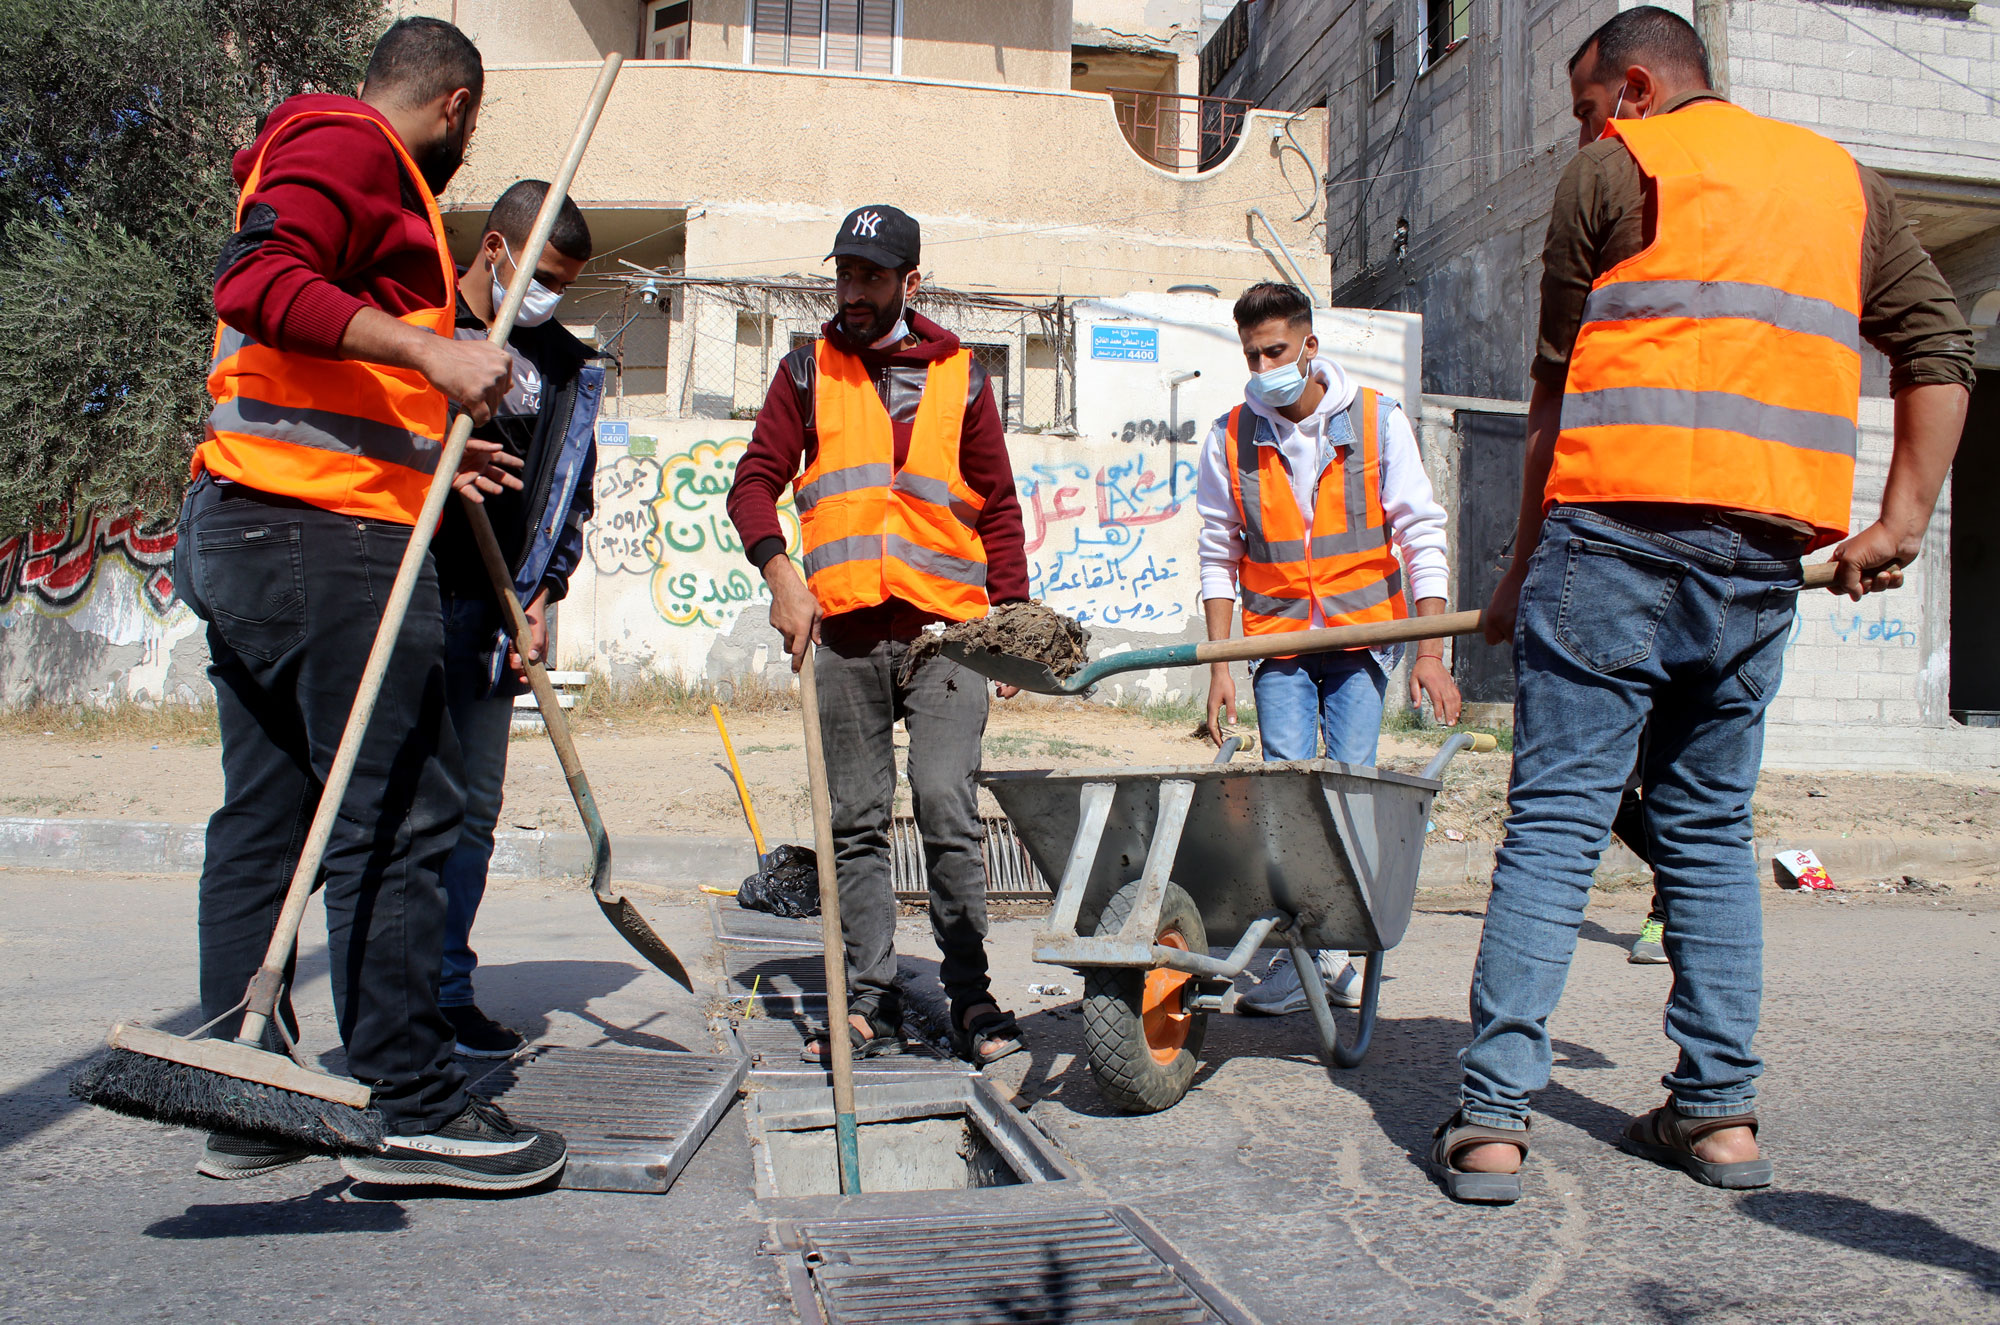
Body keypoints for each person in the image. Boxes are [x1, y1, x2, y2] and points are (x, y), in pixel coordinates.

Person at [1431, 7, 1973, 1204]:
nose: (1580, 130)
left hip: (1609, 540)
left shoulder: (1614, 169)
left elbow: (1551, 396)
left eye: (1583, 106)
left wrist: (1518, 570)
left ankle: (1490, 1122)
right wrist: (1897, 523)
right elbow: (1937, 353)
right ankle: (1717, 1112)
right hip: (1757, 561)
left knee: (1557, 822)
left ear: (1631, 87)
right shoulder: (1844, 187)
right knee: (1709, 829)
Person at [178, 17, 567, 1191]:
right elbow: (255, 283)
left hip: (259, 522)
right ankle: (411, 1100)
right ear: (457, 109)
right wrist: (433, 352)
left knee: (270, 812)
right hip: (318, 537)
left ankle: (240, 1088)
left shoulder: (322, 148)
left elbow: (322, 373)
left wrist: (433, 448)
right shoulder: (346, 143)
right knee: (400, 807)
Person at [727, 205, 1031, 1066]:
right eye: (844, 274)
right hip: (846, 635)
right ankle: (867, 997)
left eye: (870, 277)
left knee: (945, 806)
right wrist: (780, 575)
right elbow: (753, 482)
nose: (851, 293)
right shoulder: (803, 372)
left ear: (910, 283)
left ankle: (970, 995)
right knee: (855, 824)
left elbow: (999, 508)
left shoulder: (964, 378)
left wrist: (1009, 621)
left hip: (949, 636)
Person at [1198, 282, 1461, 1015]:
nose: (1262, 366)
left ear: (1310, 346)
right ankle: (1302, 958)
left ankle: (1338, 954)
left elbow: (1421, 533)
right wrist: (1220, 663)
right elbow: (1219, 552)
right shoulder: (1230, 435)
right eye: (1251, 354)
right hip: (1278, 643)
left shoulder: (1378, 421)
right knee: (1285, 797)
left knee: (1348, 794)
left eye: (1275, 350)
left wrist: (1430, 652)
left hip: (1363, 638)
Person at [430, 181, 603, 1057]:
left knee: (472, 812)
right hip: (409, 598)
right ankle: (388, 995)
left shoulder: (567, 369)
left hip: (495, 613)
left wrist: (543, 592)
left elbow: (571, 495)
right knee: (387, 805)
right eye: (542, 275)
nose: (549, 299)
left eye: (564, 284)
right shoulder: (419, 325)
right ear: (495, 250)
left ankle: (448, 990)